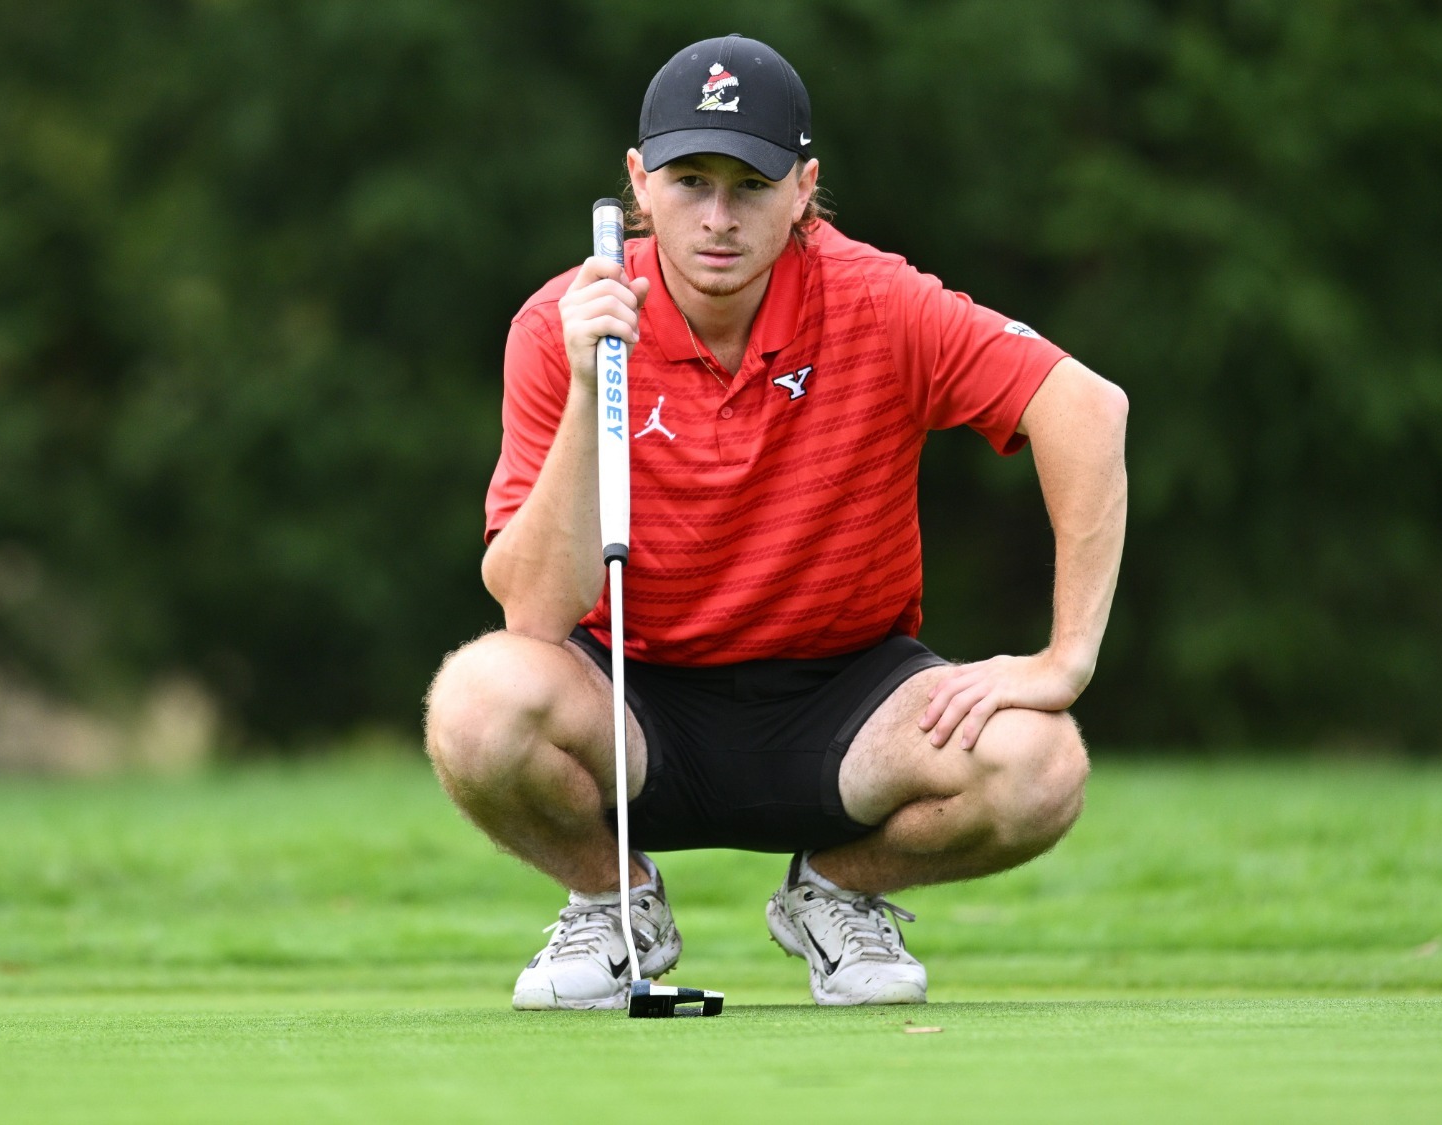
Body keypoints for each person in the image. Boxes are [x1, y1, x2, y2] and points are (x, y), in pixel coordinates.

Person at [424, 34, 1129, 1009]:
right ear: (637, 182)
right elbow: (536, 618)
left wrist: (1066, 658)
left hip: (842, 698)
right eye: (688, 181)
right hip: (635, 697)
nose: (717, 217)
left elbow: (1086, 409)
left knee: (1040, 765)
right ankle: (613, 903)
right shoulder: (560, 326)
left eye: (750, 186)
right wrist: (594, 391)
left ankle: (836, 894)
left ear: (803, 188)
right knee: (473, 703)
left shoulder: (878, 304)